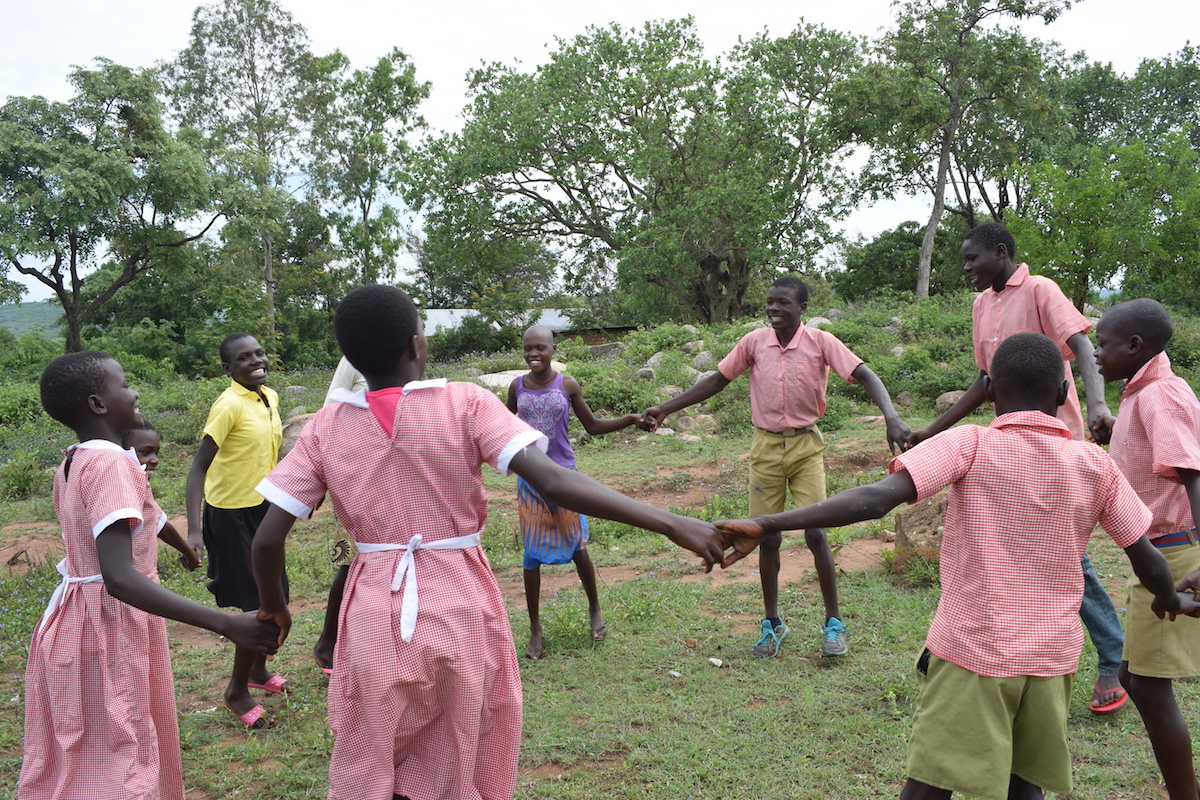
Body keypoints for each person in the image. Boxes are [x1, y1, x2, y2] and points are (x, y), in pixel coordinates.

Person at [250, 284, 724, 800]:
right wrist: (671, 522)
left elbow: (268, 539)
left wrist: (275, 608)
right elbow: (557, 482)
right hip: (459, 604)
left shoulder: (325, 427)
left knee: (377, 749)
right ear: (416, 345)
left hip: (371, 619)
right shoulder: (465, 403)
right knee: (461, 741)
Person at [718, 332, 1198, 800]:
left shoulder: (968, 444)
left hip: (974, 649)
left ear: (989, 391)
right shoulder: (1094, 463)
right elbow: (1146, 556)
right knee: (1025, 783)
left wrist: (767, 522)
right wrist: (1171, 598)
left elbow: (873, 501)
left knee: (930, 783)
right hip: (1052, 659)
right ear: (1064, 392)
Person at [19, 352, 278, 799]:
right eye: (124, 384)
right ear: (99, 404)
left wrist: (183, 548)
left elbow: (141, 530)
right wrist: (226, 622)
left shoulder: (74, 460)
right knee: (124, 749)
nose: (134, 392)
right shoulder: (112, 463)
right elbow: (118, 577)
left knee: (93, 749)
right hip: (108, 626)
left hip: (79, 621)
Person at [905, 221, 1127, 716]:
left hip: (1056, 441)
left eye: (972, 259)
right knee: (1001, 544)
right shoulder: (981, 304)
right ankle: (955, 645)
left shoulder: (1042, 290)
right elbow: (986, 380)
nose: (966, 268)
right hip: (1005, 440)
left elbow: (1084, 347)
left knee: (1064, 554)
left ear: (1000, 253)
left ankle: (1113, 657)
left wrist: (1097, 407)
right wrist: (935, 429)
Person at [642, 275, 911, 658]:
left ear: (802, 308)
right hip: (765, 447)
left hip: (805, 446)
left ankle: (833, 623)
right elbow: (718, 380)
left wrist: (891, 416)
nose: (773, 309)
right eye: (770, 302)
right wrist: (666, 408)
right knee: (764, 535)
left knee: (816, 532)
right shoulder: (754, 343)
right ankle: (772, 624)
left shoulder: (821, 342)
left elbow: (864, 374)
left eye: (783, 303)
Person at [1094, 299, 1200, 799]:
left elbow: (1193, 476)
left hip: (1175, 556)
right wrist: (1117, 432)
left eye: (1104, 345)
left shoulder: (1161, 394)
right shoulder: (1142, 393)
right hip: (1157, 555)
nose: (1095, 356)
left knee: (1151, 691)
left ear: (1135, 346)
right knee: (1134, 679)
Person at [506, 323, 645, 659]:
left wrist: (630, 419)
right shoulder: (516, 387)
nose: (533, 354)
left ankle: (594, 608)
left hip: (564, 476)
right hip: (530, 478)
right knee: (531, 556)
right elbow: (501, 424)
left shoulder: (566, 384)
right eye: (528, 349)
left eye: (540, 348)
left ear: (553, 350)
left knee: (577, 545)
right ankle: (535, 629)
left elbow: (593, 427)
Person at [185, 333, 289, 729]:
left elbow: (270, 456)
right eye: (243, 358)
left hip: (264, 509)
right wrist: (195, 531)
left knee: (274, 593)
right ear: (228, 369)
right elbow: (197, 469)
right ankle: (236, 690)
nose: (255, 361)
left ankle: (258, 672)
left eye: (259, 353)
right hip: (229, 515)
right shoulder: (228, 405)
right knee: (254, 605)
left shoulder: (271, 397)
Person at [312, 357, 366, 675]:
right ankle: (326, 644)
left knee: (384, 563)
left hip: (389, 473)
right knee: (352, 563)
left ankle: (360, 644)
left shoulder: (403, 353)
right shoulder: (354, 357)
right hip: (353, 473)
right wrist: (319, 477)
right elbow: (329, 412)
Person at [123, 418, 202, 570]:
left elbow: (158, 522)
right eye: (146, 453)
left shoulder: (140, 484)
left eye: (156, 453)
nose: (155, 460)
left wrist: (187, 552)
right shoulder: (119, 487)